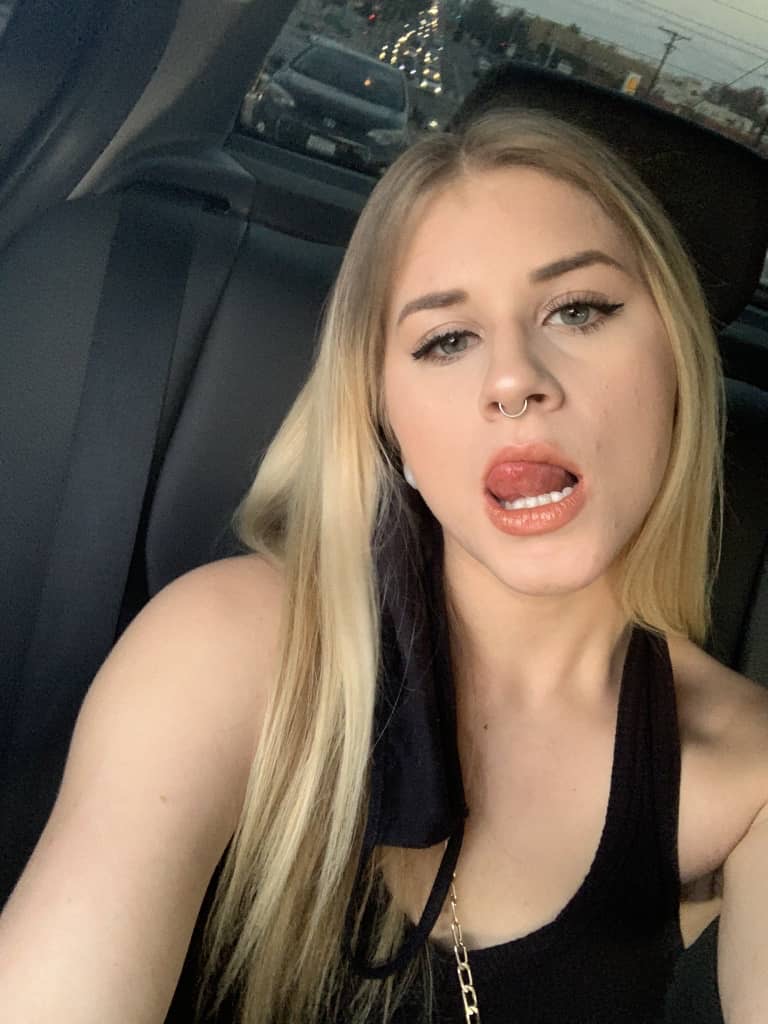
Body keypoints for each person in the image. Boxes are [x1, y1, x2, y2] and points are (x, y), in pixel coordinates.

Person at [1, 108, 767, 1024]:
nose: (513, 378)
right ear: (386, 419)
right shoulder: (233, 647)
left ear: (676, 355)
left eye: (578, 309)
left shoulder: (748, 775)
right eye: (447, 340)